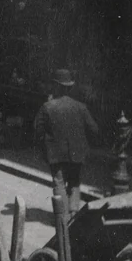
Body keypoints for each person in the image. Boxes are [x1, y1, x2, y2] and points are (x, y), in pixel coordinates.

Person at [33, 68, 100, 214]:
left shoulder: (47, 106)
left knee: (59, 183)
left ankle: (62, 217)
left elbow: (38, 131)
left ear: (56, 86)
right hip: (77, 152)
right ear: (69, 87)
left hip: (55, 153)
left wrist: (44, 147)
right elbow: (94, 129)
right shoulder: (81, 107)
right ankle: (73, 213)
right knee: (74, 182)